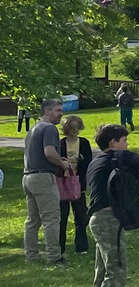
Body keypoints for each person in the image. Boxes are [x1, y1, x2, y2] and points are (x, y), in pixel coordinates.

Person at [87, 123, 139, 287]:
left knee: (102, 271)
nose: (127, 144)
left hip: (97, 219)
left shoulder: (96, 162)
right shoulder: (120, 156)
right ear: (113, 143)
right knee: (117, 271)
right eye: (124, 140)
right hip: (108, 220)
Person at [24, 97, 68, 265]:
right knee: (51, 219)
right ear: (47, 111)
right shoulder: (49, 128)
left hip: (28, 176)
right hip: (43, 177)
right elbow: (49, 153)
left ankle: (31, 255)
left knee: (32, 220)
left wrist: (57, 159)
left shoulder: (34, 128)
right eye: (58, 110)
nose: (61, 114)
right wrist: (62, 163)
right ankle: (54, 257)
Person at [59, 114, 92, 256]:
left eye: (77, 128)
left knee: (81, 216)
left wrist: (81, 160)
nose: (75, 131)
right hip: (63, 183)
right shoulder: (61, 143)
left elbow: (89, 162)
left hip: (79, 182)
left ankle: (81, 246)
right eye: (72, 128)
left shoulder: (83, 142)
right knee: (62, 217)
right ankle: (60, 247)